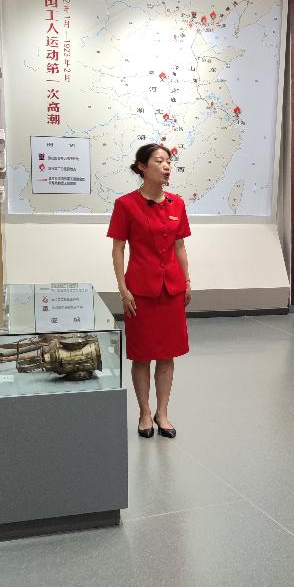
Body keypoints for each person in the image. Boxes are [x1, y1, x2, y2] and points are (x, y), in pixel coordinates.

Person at [108, 143, 192, 438]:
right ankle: (145, 412)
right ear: (142, 167)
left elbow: (180, 246)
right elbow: (118, 249)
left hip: (171, 290)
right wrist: (123, 289)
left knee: (167, 355)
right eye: (159, 161)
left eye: (169, 161)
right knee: (142, 355)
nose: (167, 166)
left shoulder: (177, 203)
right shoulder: (125, 204)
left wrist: (187, 281)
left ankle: (162, 413)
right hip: (140, 292)